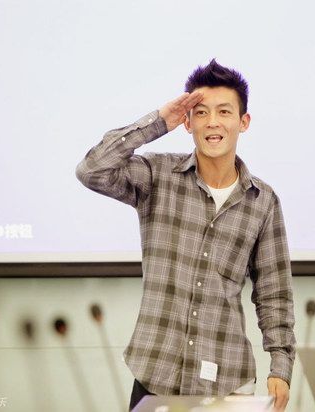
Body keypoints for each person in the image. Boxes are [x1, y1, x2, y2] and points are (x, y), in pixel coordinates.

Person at [76, 59, 296, 411]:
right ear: (188, 122)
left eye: (224, 112)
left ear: (243, 122)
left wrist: (280, 366)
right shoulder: (157, 175)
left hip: (227, 380)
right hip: (155, 373)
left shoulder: (263, 201)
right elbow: (92, 170)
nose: (213, 122)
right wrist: (159, 122)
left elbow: (274, 293)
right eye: (201, 112)